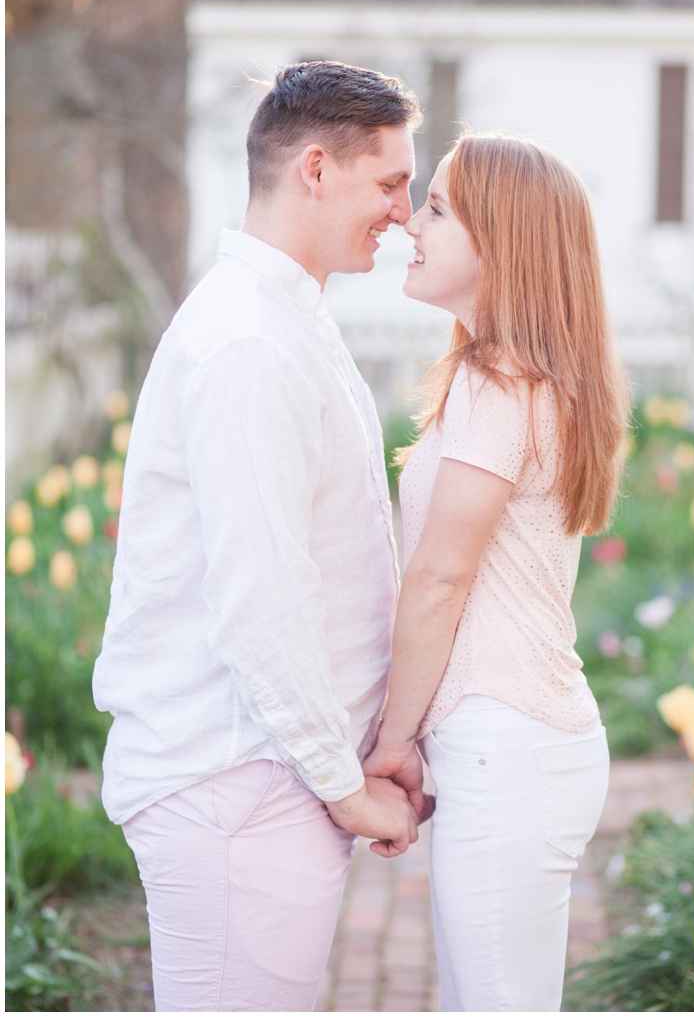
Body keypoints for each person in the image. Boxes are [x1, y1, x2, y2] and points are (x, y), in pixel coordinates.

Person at [93, 61, 429, 1011]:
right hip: (238, 779)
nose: (404, 214)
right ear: (315, 170)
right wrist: (342, 782)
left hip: (268, 778)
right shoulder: (248, 341)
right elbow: (261, 598)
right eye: (391, 184)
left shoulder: (287, 318)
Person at [361, 133, 630, 1011]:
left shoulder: (498, 381)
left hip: (505, 750)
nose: (411, 220)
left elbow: (440, 579)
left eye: (438, 207)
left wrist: (393, 744)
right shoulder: (539, 381)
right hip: (530, 745)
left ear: (501, 241)